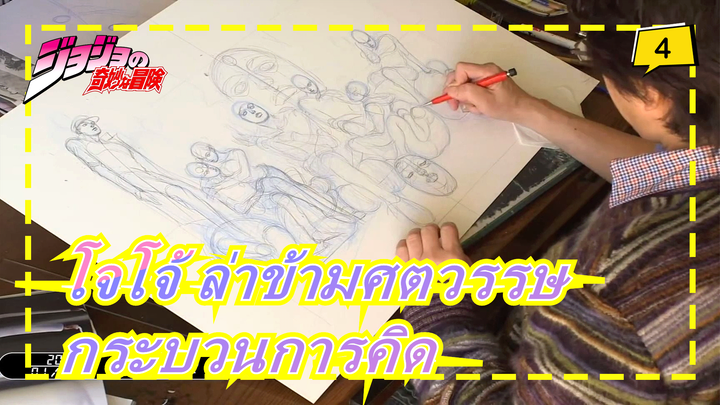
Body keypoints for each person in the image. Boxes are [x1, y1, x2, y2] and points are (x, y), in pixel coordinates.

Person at [396, 0, 719, 403]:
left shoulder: (618, 294)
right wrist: (530, 111)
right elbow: (679, 169)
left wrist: (438, 309)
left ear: (650, 93)